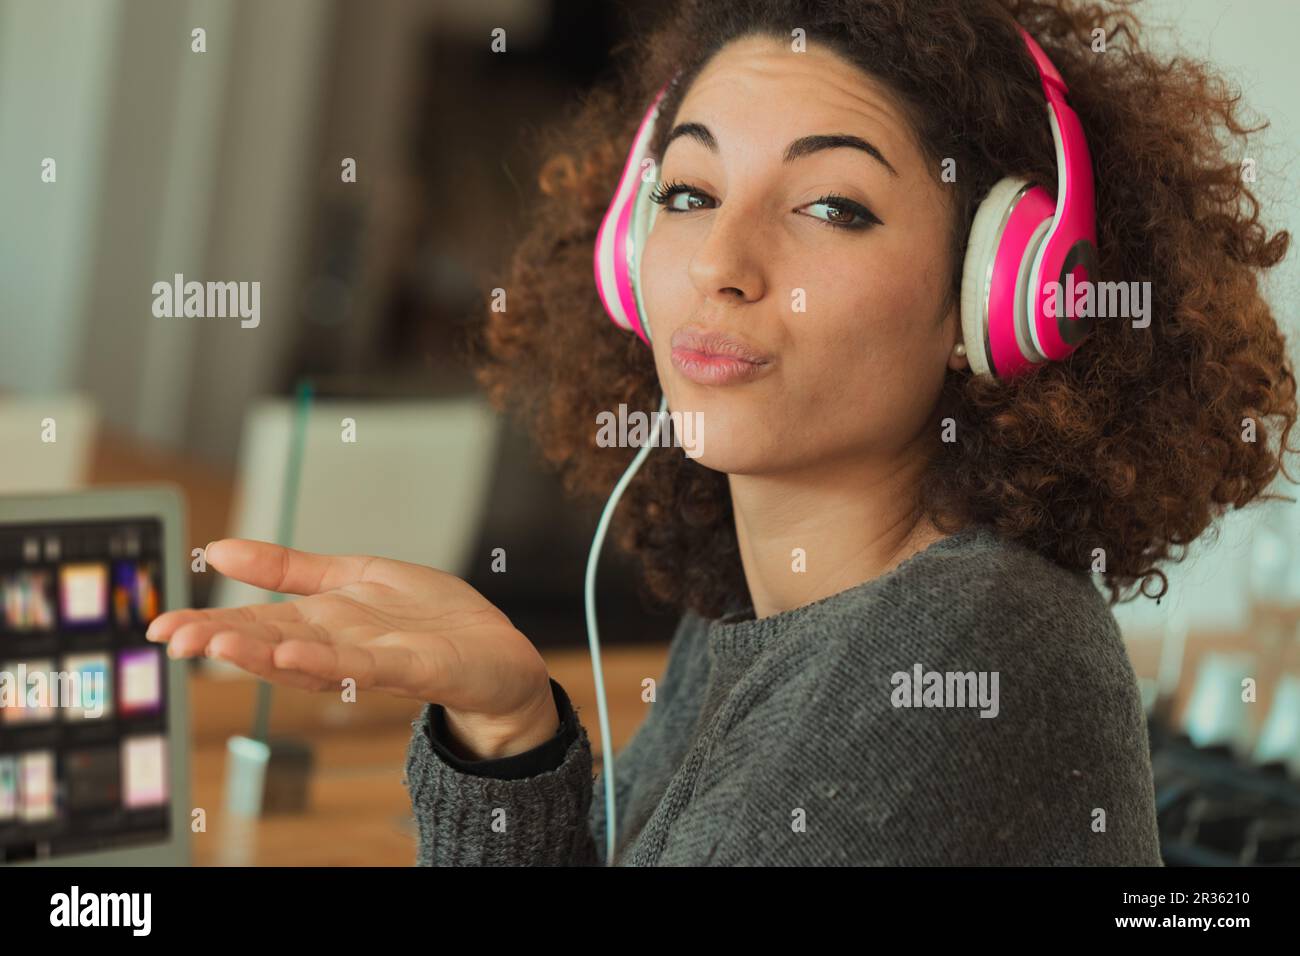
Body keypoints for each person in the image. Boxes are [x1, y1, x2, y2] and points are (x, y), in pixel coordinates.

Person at [147, 0, 1296, 866]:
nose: (719, 264)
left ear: (1001, 293)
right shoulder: (768, 603)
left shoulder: (972, 650)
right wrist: (511, 730)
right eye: (690, 193)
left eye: (830, 207)